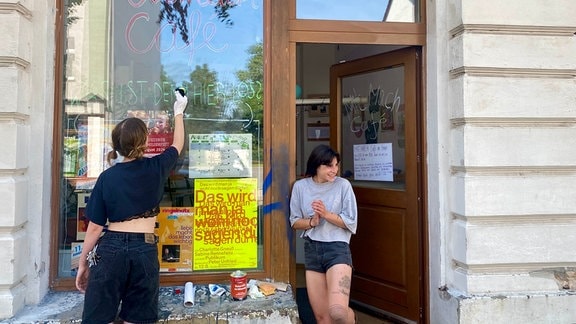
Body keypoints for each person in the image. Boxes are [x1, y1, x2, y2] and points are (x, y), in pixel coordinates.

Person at [75, 89, 188, 323]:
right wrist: (179, 112)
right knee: (138, 319)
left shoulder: (107, 177)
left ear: (116, 145)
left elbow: (95, 228)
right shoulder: (156, 168)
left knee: (98, 318)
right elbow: (177, 144)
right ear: (145, 141)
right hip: (144, 249)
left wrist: (83, 263)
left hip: (110, 249)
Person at [290, 144, 358, 324]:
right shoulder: (300, 187)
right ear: (316, 166)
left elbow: (351, 222)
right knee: (323, 318)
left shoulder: (343, 185)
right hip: (312, 249)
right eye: (329, 166)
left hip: (337, 248)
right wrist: (312, 222)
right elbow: (295, 222)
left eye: (336, 165)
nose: (334, 170)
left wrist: (327, 214)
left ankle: (353, 319)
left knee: (338, 312)